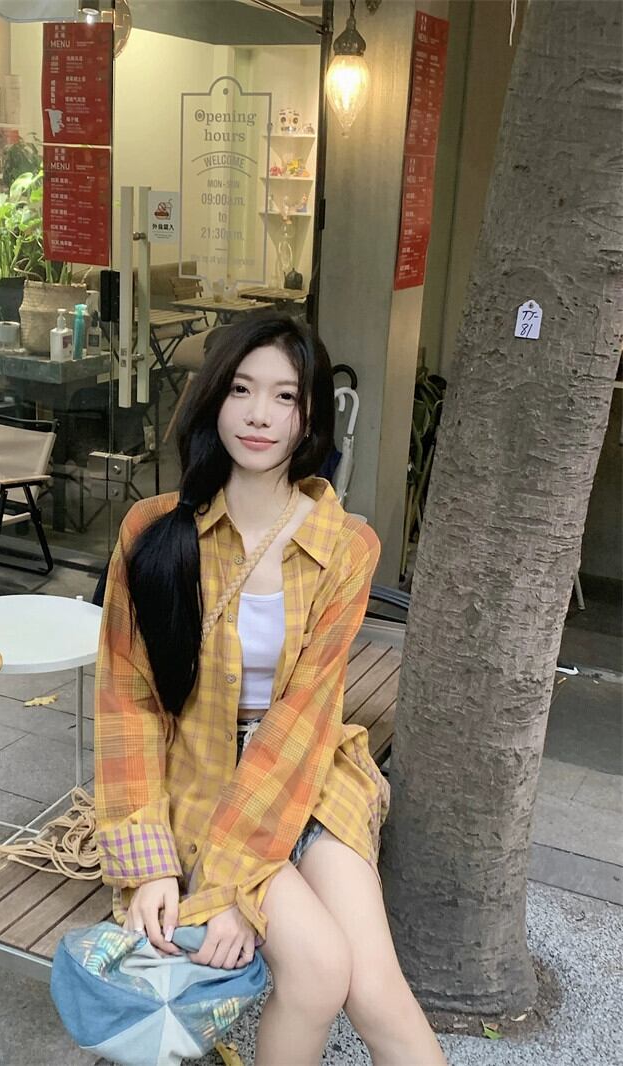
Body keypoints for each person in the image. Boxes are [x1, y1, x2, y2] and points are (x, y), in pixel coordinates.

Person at [94, 312, 446, 1065]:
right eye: (241, 389)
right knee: (317, 974)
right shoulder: (152, 532)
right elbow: (130, 705)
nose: (259, 414)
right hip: (201, 780)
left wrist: (230, 886)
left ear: (309, 415)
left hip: (308, 772)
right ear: (212, 398)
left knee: (378, 992)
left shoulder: (345, 547)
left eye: (285, 396)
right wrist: (151, 863)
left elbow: (303, 719)